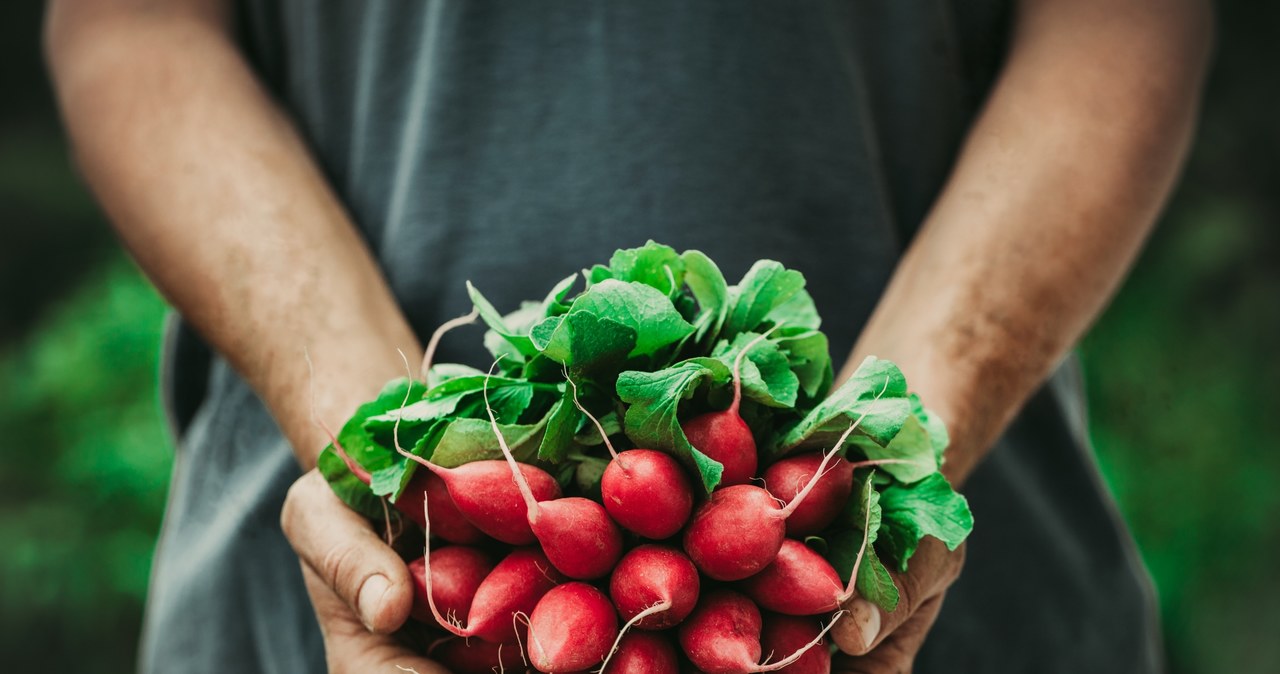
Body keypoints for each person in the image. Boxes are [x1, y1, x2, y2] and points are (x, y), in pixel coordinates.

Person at [45, 0, 1211, 671]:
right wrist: (384, 459)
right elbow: (128, 26)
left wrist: (874, 469)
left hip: (957, 625)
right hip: (314, 616)